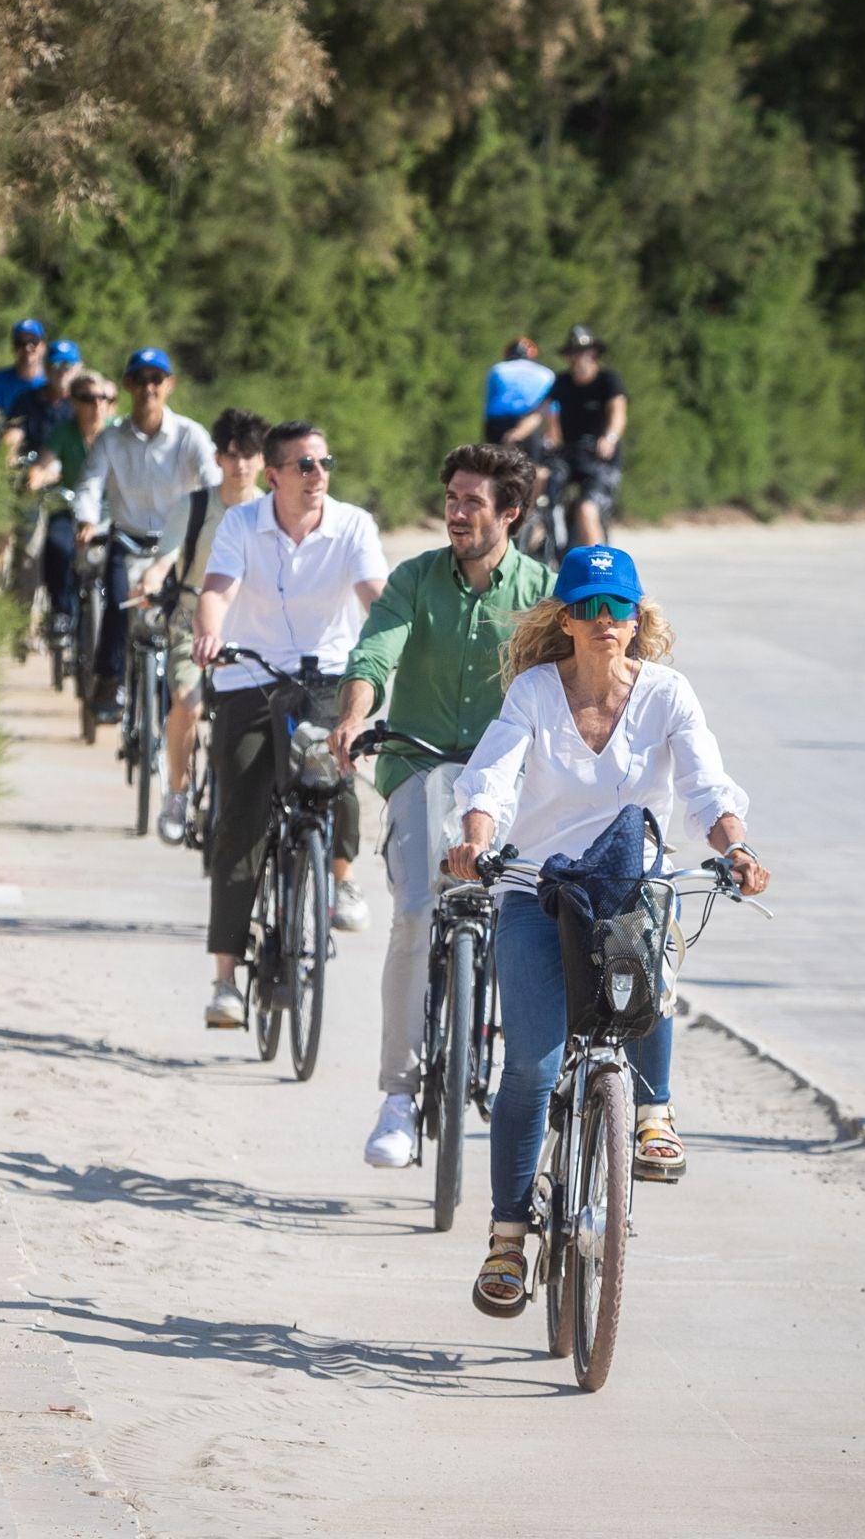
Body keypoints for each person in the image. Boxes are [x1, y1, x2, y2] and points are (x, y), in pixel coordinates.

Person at [446, 543, 771, 1317]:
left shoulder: (665, 694)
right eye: (587, 607)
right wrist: (475, 837)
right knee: (530, 1062)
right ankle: (506, 1239)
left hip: (629, 888)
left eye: (615, 607)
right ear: (564, 617)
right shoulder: (533, 690)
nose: (602, 621)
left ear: (636, 616)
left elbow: (702, 782)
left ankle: (652, 1113)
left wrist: (736, 847)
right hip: (538, 887)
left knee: (649, 944)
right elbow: (492, 771)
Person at [329, 444, 554, 1169]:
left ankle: (533, 1077)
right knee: (417, 914)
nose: (456, 513)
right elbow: (374, 653)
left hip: (507, 781)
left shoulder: (543, 595)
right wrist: (356, 712)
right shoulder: (414, 579)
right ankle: (398, 1095)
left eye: (472, 502)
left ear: (509, 513)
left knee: (530, 921)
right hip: (418, 764)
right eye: (451, 499)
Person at [191, 421, 389, 1028]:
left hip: (326, 677)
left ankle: (342, 878)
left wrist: (395, 628)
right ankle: (226, 980)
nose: (318, 475)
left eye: (325, 463)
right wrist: (209, 630)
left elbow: (374, 591)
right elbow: (218, 589)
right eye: (305, 465)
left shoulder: (351, 524)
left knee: (340, 764)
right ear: (272, 475)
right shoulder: (242, 524)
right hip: (248, 678)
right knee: (240, 823)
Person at [130, 408, 269, 843]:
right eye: (231, 455)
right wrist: (151, 581)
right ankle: (177, 791)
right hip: (191, 623)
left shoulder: (273, 512)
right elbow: (165, 558)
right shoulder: (193, 507)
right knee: (187, 703)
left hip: (252, 627)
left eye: (249, 455)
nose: (240, 465)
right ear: (217, 457)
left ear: (263, 460)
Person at [74, 347, 219, 720]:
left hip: (177, 545)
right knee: (118, 602)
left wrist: (220, 520)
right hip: (128, 537)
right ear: (128, 385)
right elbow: (90, 483)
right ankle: (109, 683)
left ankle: (186, 690)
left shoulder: (190, 435)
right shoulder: (111, 438)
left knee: (183, 613)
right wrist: (87, 519)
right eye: (140, 380)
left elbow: (212, 481)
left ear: (169, 385)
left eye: (156, 380)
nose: (148, 388)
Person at [27, 368, 117, 636]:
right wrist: (34, 478)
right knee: (57, 545)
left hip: (113, 513)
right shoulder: (63, 432)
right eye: (88, 398)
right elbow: (43, 463)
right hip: (71, 511)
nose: (97, 404)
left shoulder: (117, 434)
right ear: (73, 402)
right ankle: (62, 612)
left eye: (102, 398)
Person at [543, 324, 627, 546]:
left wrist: (609, 438)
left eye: (583, 351)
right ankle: (537, 548)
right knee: (540, 490)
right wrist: (523, 434)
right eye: (573, 352)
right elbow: (543, 413)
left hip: (600, 459)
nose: (578, 357)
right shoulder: (561, 382)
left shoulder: (608, 380)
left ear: (594, 352)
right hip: (569, 455)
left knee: (586, 508)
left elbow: (618, 413)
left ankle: (596, 573)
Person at [5, 339, 82, 456]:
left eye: (68, 365)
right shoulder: (27, 399)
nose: (62, 371)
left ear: (79, 369)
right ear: (46, 368)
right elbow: (14, 433)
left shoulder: (86, 402)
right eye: (56, 365)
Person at [0, 319, 46, 436]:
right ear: (13, 347)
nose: (27, 348)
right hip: (3, 446)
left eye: (33, 341)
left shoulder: (50, 384)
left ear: (43, 347)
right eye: (20, 342)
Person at [483, 338, 555, 450]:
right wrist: (552, 434)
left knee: (495, 464)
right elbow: (552, 409)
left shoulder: (497, 369)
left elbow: (488, 402)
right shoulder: (546, 374)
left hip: (497, 425)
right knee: (531, 465)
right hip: (530, 425)